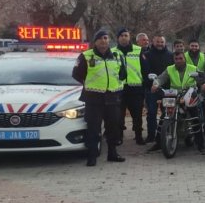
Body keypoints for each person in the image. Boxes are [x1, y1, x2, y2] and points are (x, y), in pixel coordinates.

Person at [72, 30, 128, 166]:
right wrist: (89, 83)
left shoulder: (117, 55)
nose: (104, 41)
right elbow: (77, 74)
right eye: (101, 39)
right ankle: (92, 156)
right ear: (95, 41)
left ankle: (112, 154)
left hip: (112, 97)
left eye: (106, 38)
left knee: (113, 127)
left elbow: (122, 74)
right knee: (93, 128)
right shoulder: (86, 56)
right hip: (93, 98)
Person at [148, 50, 205, 155]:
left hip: (189, 95)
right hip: (174, 95)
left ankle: (200, 145)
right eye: (176, 59)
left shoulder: (193, 68)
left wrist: (204, 83)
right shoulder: (169, 69)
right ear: (173, 59)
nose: (178, 60)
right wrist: (156, 84)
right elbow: (161, 78)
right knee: (163, 118)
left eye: (181, 58)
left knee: (195, 118)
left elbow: (202, 78)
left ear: (184, 59)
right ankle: (159, 143)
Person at [113, 28, 145, 145]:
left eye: (126, 35)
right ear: (118, 38)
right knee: (118, 115)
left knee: (137, 115)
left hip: (135, 88)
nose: (124, 37)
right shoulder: (112, 52)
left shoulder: (138, 50)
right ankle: (119, 136)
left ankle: (138, 136)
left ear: (129, 37)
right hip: (118, 88)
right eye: (121, 35)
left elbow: (145, 68)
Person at [141, 35, 174, 145]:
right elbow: (144, 72)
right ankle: (151, 136)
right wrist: (150, 84)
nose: (160, 44)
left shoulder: (171, 55)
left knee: (167, 112)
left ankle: (163, 134)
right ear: (153, 42)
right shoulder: (146, 55)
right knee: (151, 113)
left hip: (167, 90)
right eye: (158, 42)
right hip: (151, 89)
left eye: (162, 42)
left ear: (165, 42)